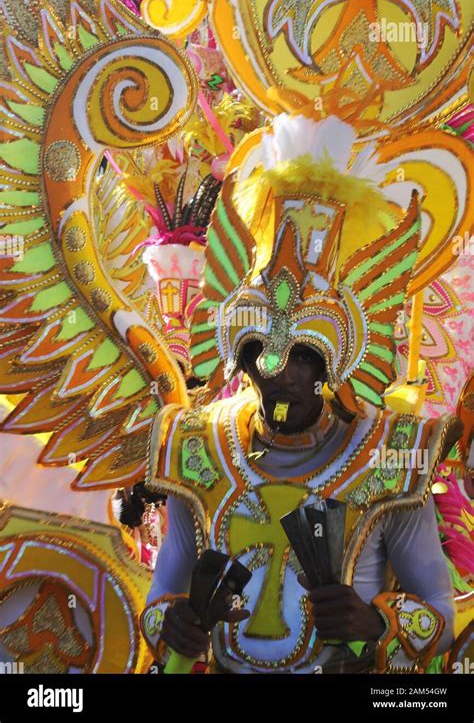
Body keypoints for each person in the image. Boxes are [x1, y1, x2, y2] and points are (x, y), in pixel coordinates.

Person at [141, 112, 462, 674]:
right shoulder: (198, 443)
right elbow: (161, 594)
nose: (278, 369)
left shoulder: (390, 452)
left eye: (302, 354)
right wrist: (172, 622)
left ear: (337, 359)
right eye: (260, 347)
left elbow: (439, 614)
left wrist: (376, 625)